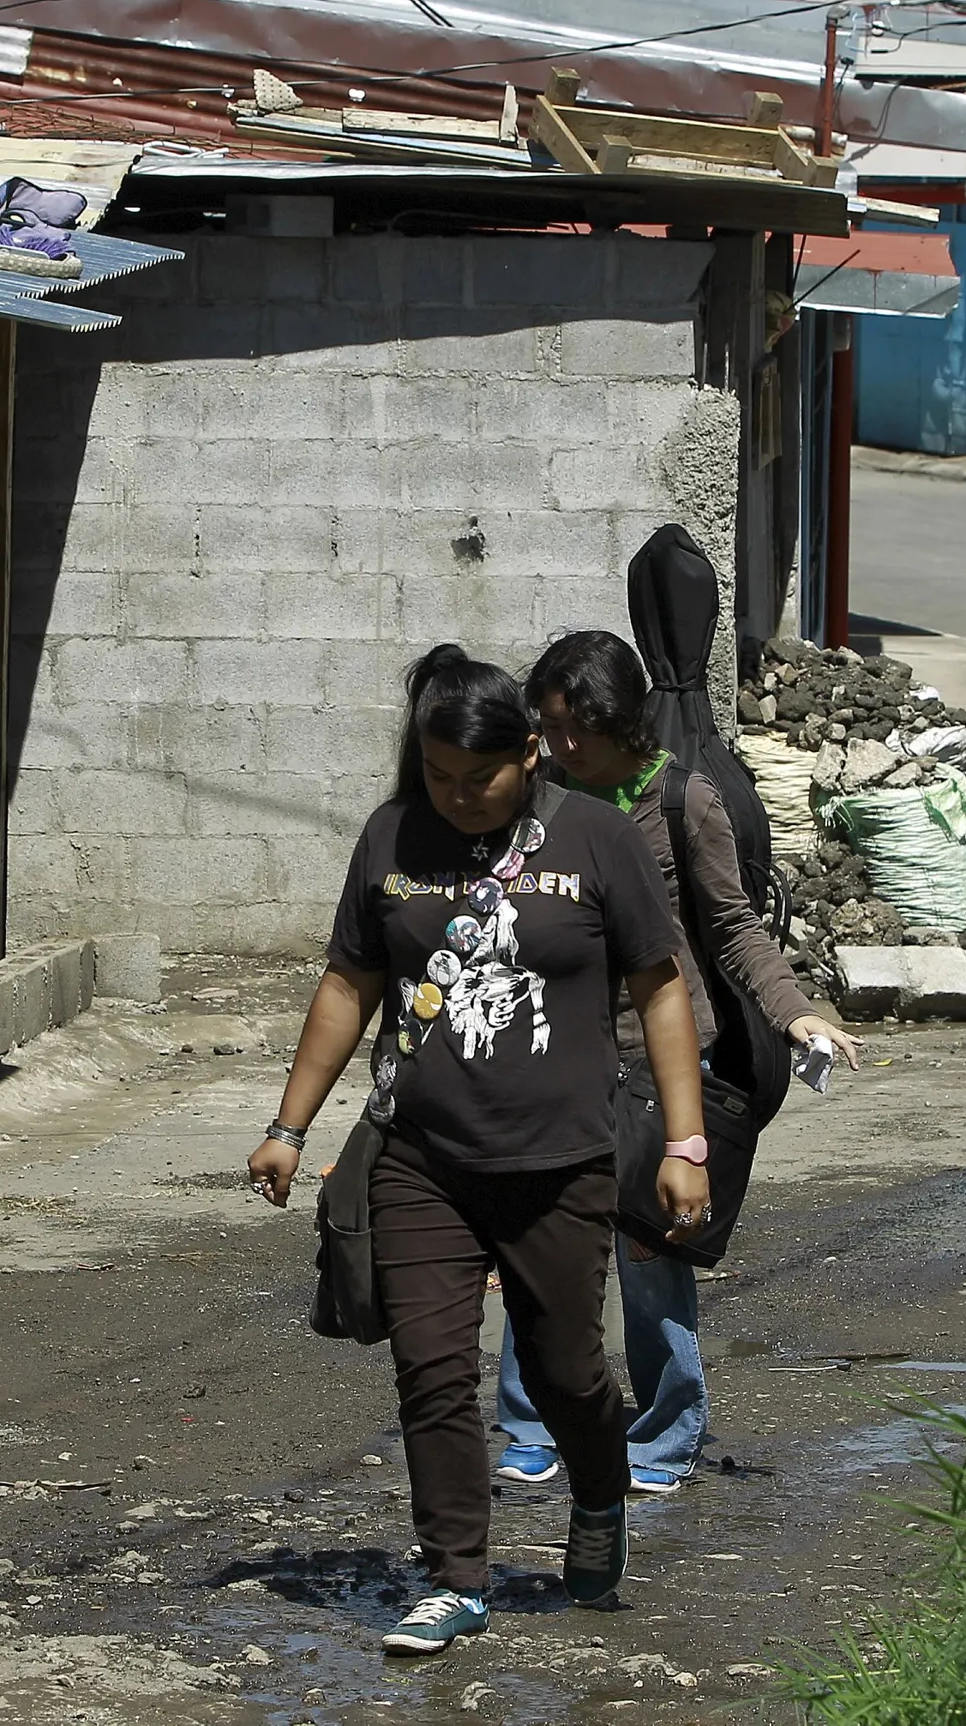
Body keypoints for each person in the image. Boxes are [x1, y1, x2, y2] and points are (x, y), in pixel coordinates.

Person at [248, 645, 714, 1658]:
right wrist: (290, 1127)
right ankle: (454, 1577)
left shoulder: (594, 839)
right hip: (422, 1157)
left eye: (481, 779)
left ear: (531, 756)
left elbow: (660, 983)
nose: (458, 799)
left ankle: (599, 1494)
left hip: (561, 1165)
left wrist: (686, 1141)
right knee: (432, 1370)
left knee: (565, 1371)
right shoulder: (389, 839)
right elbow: (347, 984)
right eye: (439, 778)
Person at [493, 631, 861, 1495]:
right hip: (555, 1048)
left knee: (651, 1248)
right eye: (547, 726)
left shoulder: (681, 803)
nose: (559, 744)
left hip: (658, 1061)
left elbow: (733, 927)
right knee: (537, 1241)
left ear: (616, 718)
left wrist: (798, 1013)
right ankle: (529, 1420)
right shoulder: (536, 798)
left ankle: (662, 1435)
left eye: (572, 725)